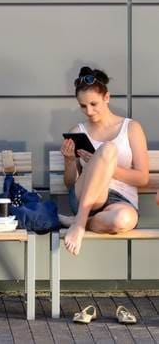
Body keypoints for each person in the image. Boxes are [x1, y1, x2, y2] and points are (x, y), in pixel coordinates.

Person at [59, 66, 148, 256]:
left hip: (121, 200)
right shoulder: (78, 131)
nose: (89, 111)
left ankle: (77, 222)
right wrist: (68, 161)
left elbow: (142, 178)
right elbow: (70, 184)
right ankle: (81, 222)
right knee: (108, 148)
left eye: (94, 104)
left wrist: (105, 166)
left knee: (122, 221)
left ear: (107, 97)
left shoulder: (131, 128)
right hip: (88, 199)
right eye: (83, 106)